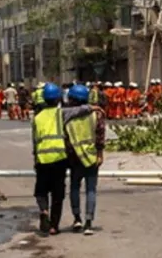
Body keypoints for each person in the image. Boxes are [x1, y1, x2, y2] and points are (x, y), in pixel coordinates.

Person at [63, 84, 105, 235]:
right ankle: (88, 223)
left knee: (74, 188)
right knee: (91, 189)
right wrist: (100, 154)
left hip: (74, 158)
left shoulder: (67, 115)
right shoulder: (96, 115)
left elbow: (65, 138)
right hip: (91, 156)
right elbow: (100, 136)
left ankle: (77, 219)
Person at [32, 82, 68, 236]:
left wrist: (36, 159)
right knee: (58, 193)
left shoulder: (37, 118)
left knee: (41, 190)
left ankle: (44, 210)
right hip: (60, 157)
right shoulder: (62, 114)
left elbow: (35, 141)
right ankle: (54, 226)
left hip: (42, 158)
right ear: (58, 98)